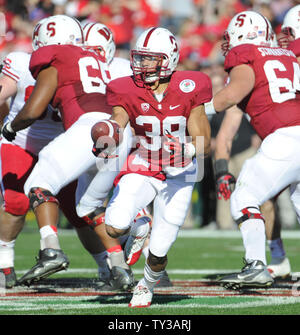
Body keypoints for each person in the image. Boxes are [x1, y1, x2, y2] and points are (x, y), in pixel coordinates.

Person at [1, 15, 135, 290]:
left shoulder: (55, 56)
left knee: (38, 186)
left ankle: (51, 249)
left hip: (83, 132)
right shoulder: (100, 61)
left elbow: (34, 109)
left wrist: (10, 126)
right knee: (89, 206)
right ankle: (119, 267)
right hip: (115, 133)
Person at [97, 27, 211, 307]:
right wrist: (108, 132)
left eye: (151, 58)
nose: (144, 64)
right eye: (141, 58)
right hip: (143, 162)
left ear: (169, 59)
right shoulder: (126, 87)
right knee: (114, 227)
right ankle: (140, 223)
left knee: (158, 252)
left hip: (180, 172)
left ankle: (146, 284)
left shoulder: (190, 86)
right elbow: (118, 119)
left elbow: (205, 140)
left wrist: (189, 148)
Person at [205, 10, 300, 289]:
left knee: (244, 195)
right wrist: (222, 170)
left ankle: (256, 265)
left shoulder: (248, 56)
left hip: (284, 137)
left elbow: (231, 95)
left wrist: (196, 109)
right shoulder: (288, 57)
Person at [214, 105, 291, 278]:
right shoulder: (246, 91)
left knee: (246, 196)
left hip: (289, 144)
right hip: (275, 149)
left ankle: (257, 265)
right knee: (262, 199)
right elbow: (227, 127)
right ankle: (276, 259)